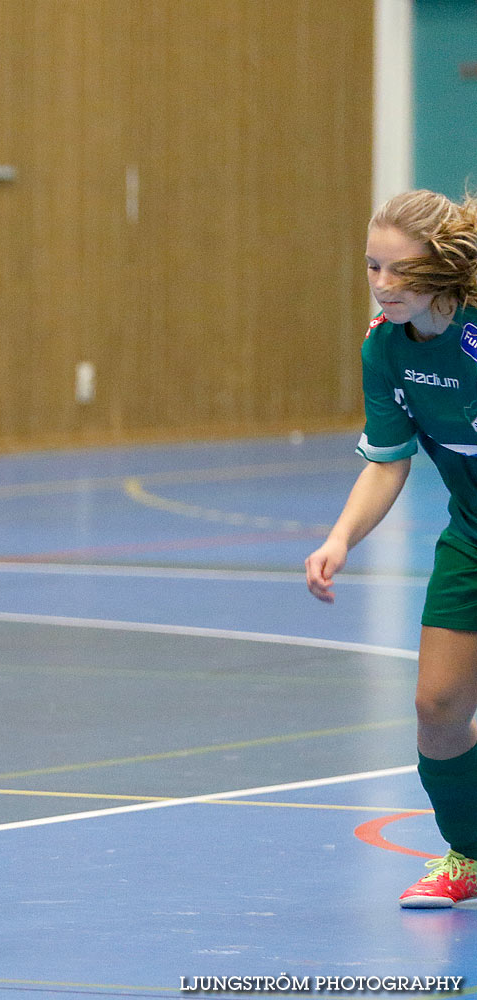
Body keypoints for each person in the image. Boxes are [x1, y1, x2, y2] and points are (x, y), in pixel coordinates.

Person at [306, 188, 477, 907]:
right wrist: (340, 537)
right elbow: (388, 458)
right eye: (373, 266)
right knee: (437, 707)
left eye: (399, 270)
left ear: (439, 268)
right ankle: (468, 856)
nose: (382, 283)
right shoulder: (383, 346)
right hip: (471, 534)